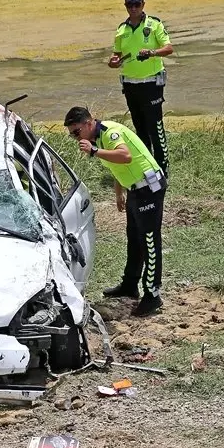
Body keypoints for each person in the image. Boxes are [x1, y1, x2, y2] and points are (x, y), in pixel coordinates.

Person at [64, 106, 166, 318]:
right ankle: (130, 284)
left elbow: (125, 156)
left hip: (149, 188)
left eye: (76, 132)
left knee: (149, 239)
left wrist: (94, 152)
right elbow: (116, 165)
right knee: (134, 238)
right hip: (135, 189)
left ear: (89, 123)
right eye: (72, 134)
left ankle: (152, 295)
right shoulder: (98, 139)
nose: (75, 138)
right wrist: (119, 192)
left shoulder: (110, 133)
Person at [108, 0, 174, 175]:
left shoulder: (154, 25)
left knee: (155, 127)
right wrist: (113, 61)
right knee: (140, 127)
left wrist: (152, 53)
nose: (133, 8)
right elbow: (116, 55)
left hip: (151, 84)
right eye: (130, 4)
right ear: (125, 6)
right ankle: (147, 166)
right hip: (130, 85)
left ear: (143, 4)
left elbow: (169, 48)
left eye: (137, 4)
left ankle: (162, 168)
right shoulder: (122, 29)